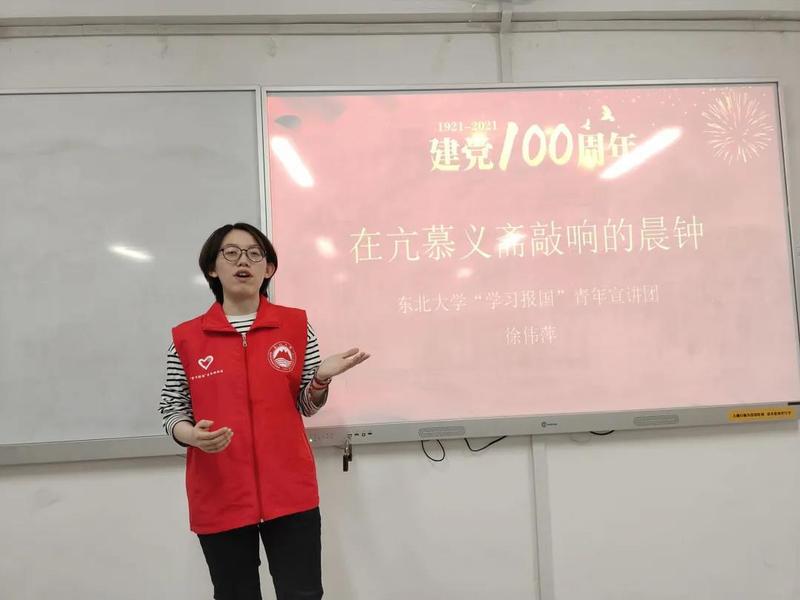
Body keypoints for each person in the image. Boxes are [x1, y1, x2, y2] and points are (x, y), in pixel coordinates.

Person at [158, 222, 369, 600]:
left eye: (255, 254)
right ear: (212, 267)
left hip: (290, 490)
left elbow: (306, 405)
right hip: (219, 492)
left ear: (268, 268)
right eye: (231, 253)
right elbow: (172, 407)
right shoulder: (187, 338)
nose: (244, 261)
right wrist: (191, 435)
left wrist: (320, 379)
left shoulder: (296, 326)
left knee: (303, 594)